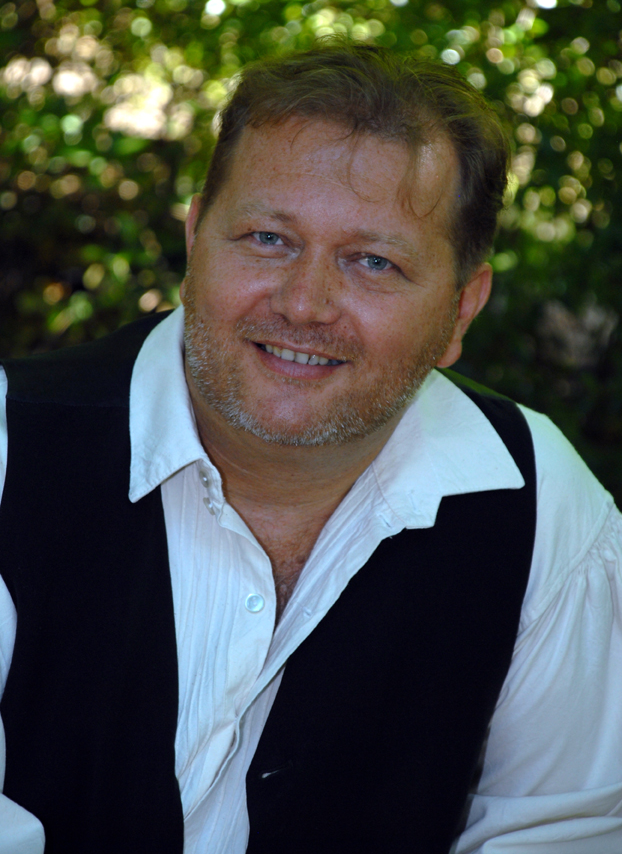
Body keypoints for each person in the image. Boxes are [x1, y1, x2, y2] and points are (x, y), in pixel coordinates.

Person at [0, 43, 620, 854]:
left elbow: (561, 833)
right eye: (267, 238)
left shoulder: (543, 506)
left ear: (461, 308)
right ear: (195, 239)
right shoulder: (11, 448)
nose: (304, 303)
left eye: (374, 261)